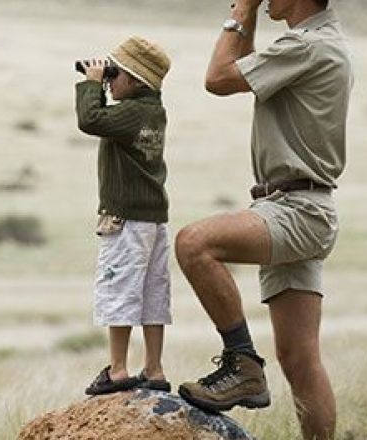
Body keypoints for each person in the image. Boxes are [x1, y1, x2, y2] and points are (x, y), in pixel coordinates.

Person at [175, 0, 352, 439]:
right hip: (301, 205)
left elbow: (217, 78)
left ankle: (242, 363)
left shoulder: (306, 46)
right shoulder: (318, 43)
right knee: (299, 359)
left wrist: (241, 7)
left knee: (194, 243)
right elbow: (240, 65)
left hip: (296, 210)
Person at [74, 36, 173, 396]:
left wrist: (90, 85)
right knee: (152, 293)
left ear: (135, 80)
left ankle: (118, 369)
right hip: (153, 218)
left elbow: (89, 120)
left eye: (114, 74)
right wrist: (102, 83)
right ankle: (155, 367)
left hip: (125, 219)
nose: (109, 80)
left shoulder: (131, 113)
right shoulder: (153, 111)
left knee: (119, 290)